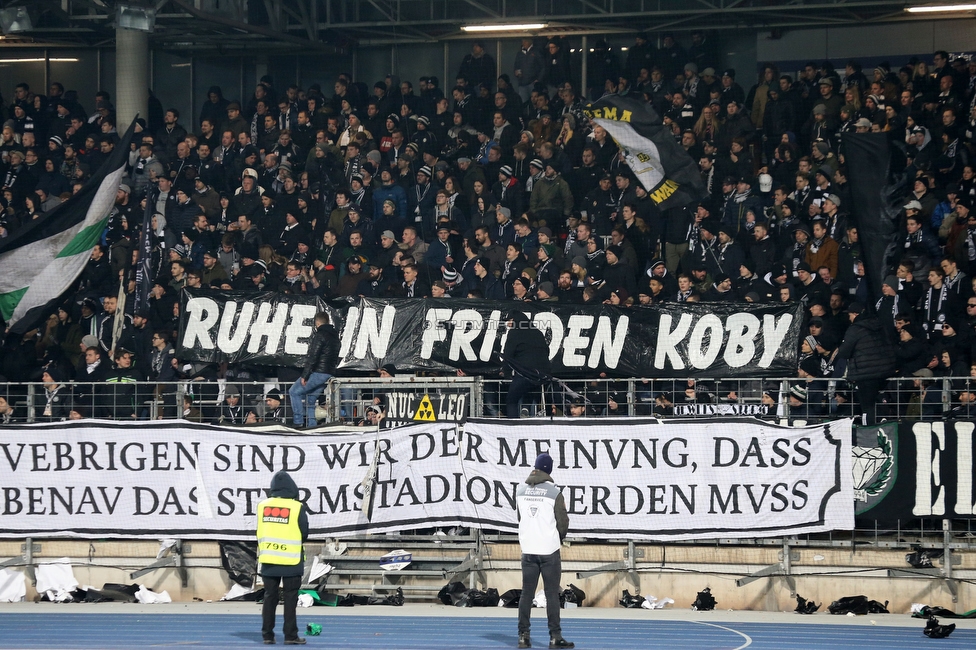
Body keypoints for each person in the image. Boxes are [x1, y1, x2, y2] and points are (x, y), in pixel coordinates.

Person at [516, 453, 573, 650]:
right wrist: (557, 539)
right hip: (549, 550)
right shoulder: (554, 493)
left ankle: (523, 636)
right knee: (551, 595)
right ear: (549, 469)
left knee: (526, 594)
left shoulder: (520, 490)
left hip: (528, 549)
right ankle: (555, 637)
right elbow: (563, 522)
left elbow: (520, 517)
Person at [256, 470, 309, 645]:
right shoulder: (297, 507)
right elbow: (304, 532)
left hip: (269, 559)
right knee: (290, 598)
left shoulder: (262, 506)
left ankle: (267, 635)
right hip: (291, 560)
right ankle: (290, 635)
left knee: (270, 597)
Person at [288, 311, 340, 428]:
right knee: (310, 400)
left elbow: (313, 357)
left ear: (317, 323)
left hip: (318, 372)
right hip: (328, 374)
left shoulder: (320, 335)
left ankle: (298, 421)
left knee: (293, 392)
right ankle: (312, 425)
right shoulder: (335, 337)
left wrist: (305, 375)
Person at [504, 310, 552, 418]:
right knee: (531, 391)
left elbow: (508, 354)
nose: (508, 324)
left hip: (526, 372)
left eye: (509, 321)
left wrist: (506, 372)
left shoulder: (514, 332)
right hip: (543, 373)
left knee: (512, 399)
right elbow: (546, 350)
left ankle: (513, 425)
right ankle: (526, 408)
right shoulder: (537, 332)